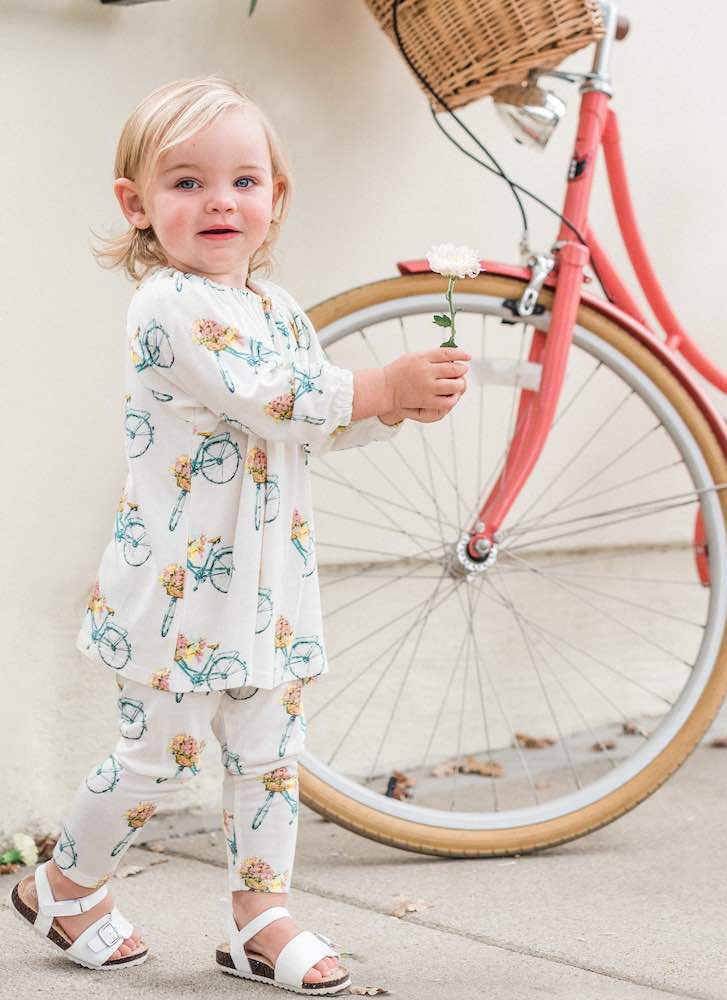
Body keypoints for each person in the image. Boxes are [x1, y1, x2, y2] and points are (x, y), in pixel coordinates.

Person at [9, 75, 471, 994]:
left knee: (271, 760)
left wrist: (390, 410)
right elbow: (269, 396)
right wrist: (378, 385)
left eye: (243, 181)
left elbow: (310, 426)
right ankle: (65, 885)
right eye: (187, 183)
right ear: (137, 206)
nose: (220, 201)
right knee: (156, 759)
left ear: (275, 197)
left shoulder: (278, 309)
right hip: (181, 592)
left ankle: (262, 918)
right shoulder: (169, 307)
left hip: (269, 590)